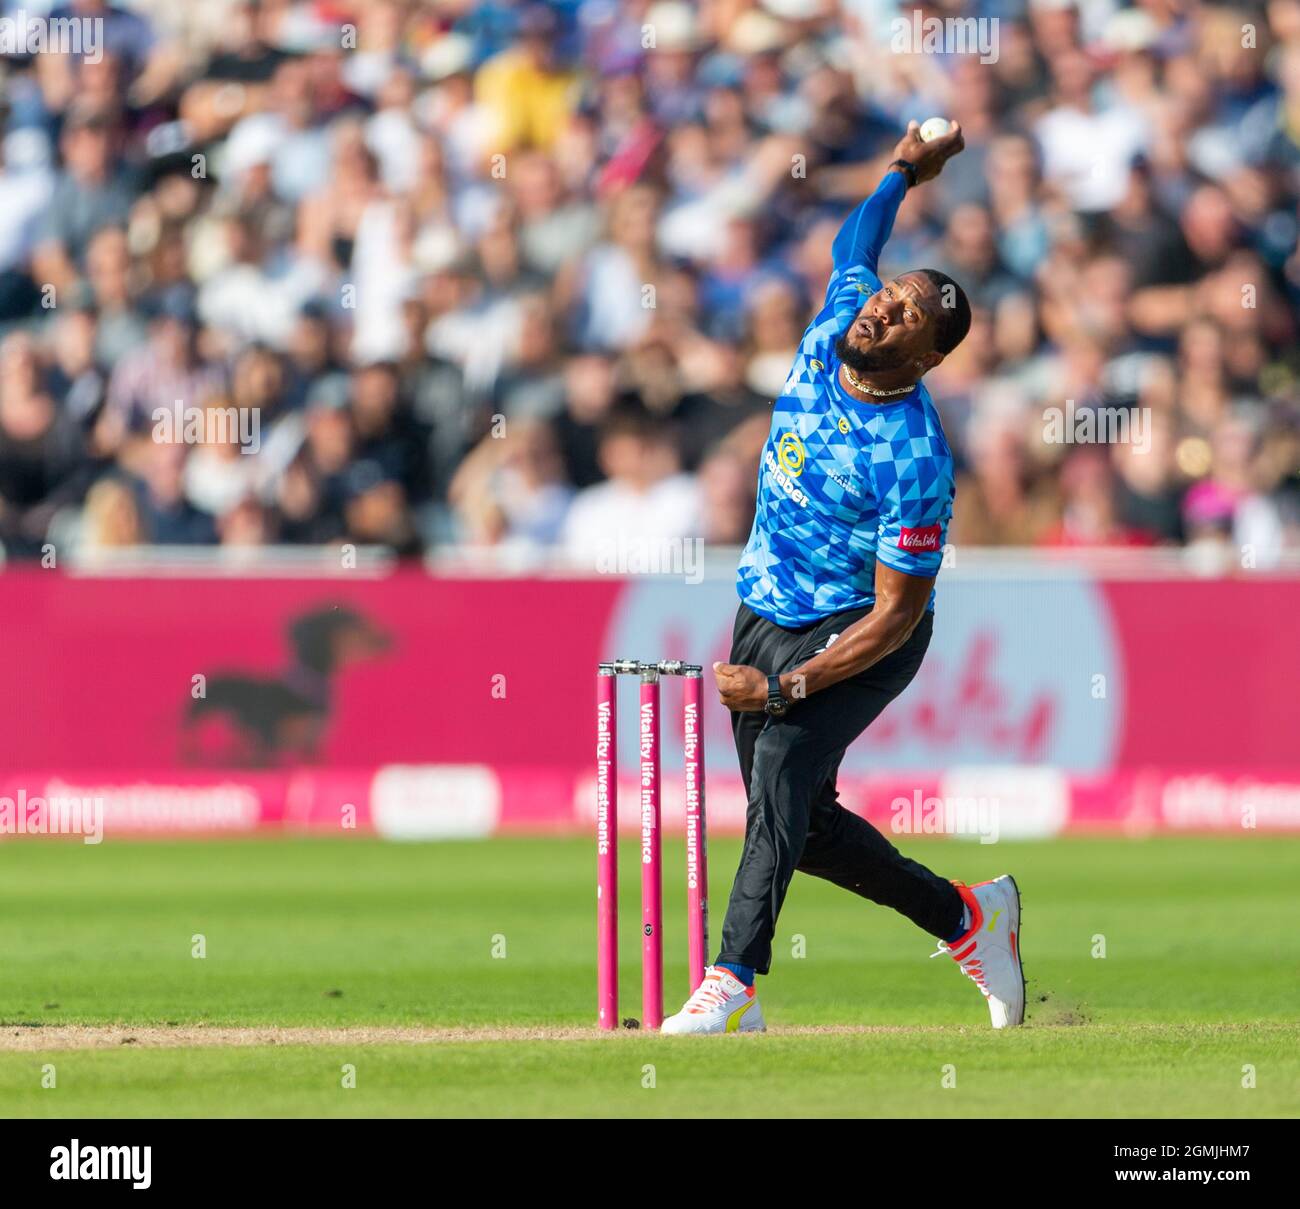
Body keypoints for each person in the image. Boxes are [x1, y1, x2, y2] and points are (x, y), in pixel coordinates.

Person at [661, 122, 1025, 1034]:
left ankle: (734, 980)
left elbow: (899, 615)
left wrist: (789, 683)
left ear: (929, 356)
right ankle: (968, 918)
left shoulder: (916, 456)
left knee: (781, 765)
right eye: (891, 298)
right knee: (802, 824)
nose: (884, 312)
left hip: (859, 629)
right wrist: (903, 169)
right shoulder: (839, 312)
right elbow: (853, 243)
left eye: (907, 318)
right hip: (765, 606)